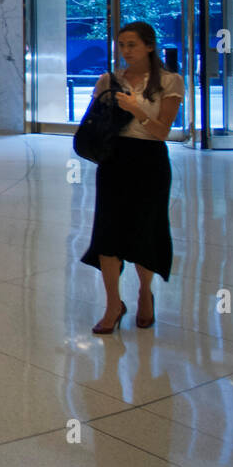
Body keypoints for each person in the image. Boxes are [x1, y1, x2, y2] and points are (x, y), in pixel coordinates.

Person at [80, 21, 184, 335]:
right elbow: (96, 123)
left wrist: (137, 109)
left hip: (149, 160)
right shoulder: (110, 80)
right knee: (107, 234)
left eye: (132, 45)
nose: (125, 51)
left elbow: (163, 131)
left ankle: (144, 293)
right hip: (114, 159)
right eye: (122, 44)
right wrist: (102, 104)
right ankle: (113, 304)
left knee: (145, 230)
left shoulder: (170, 81)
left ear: (149, 46)